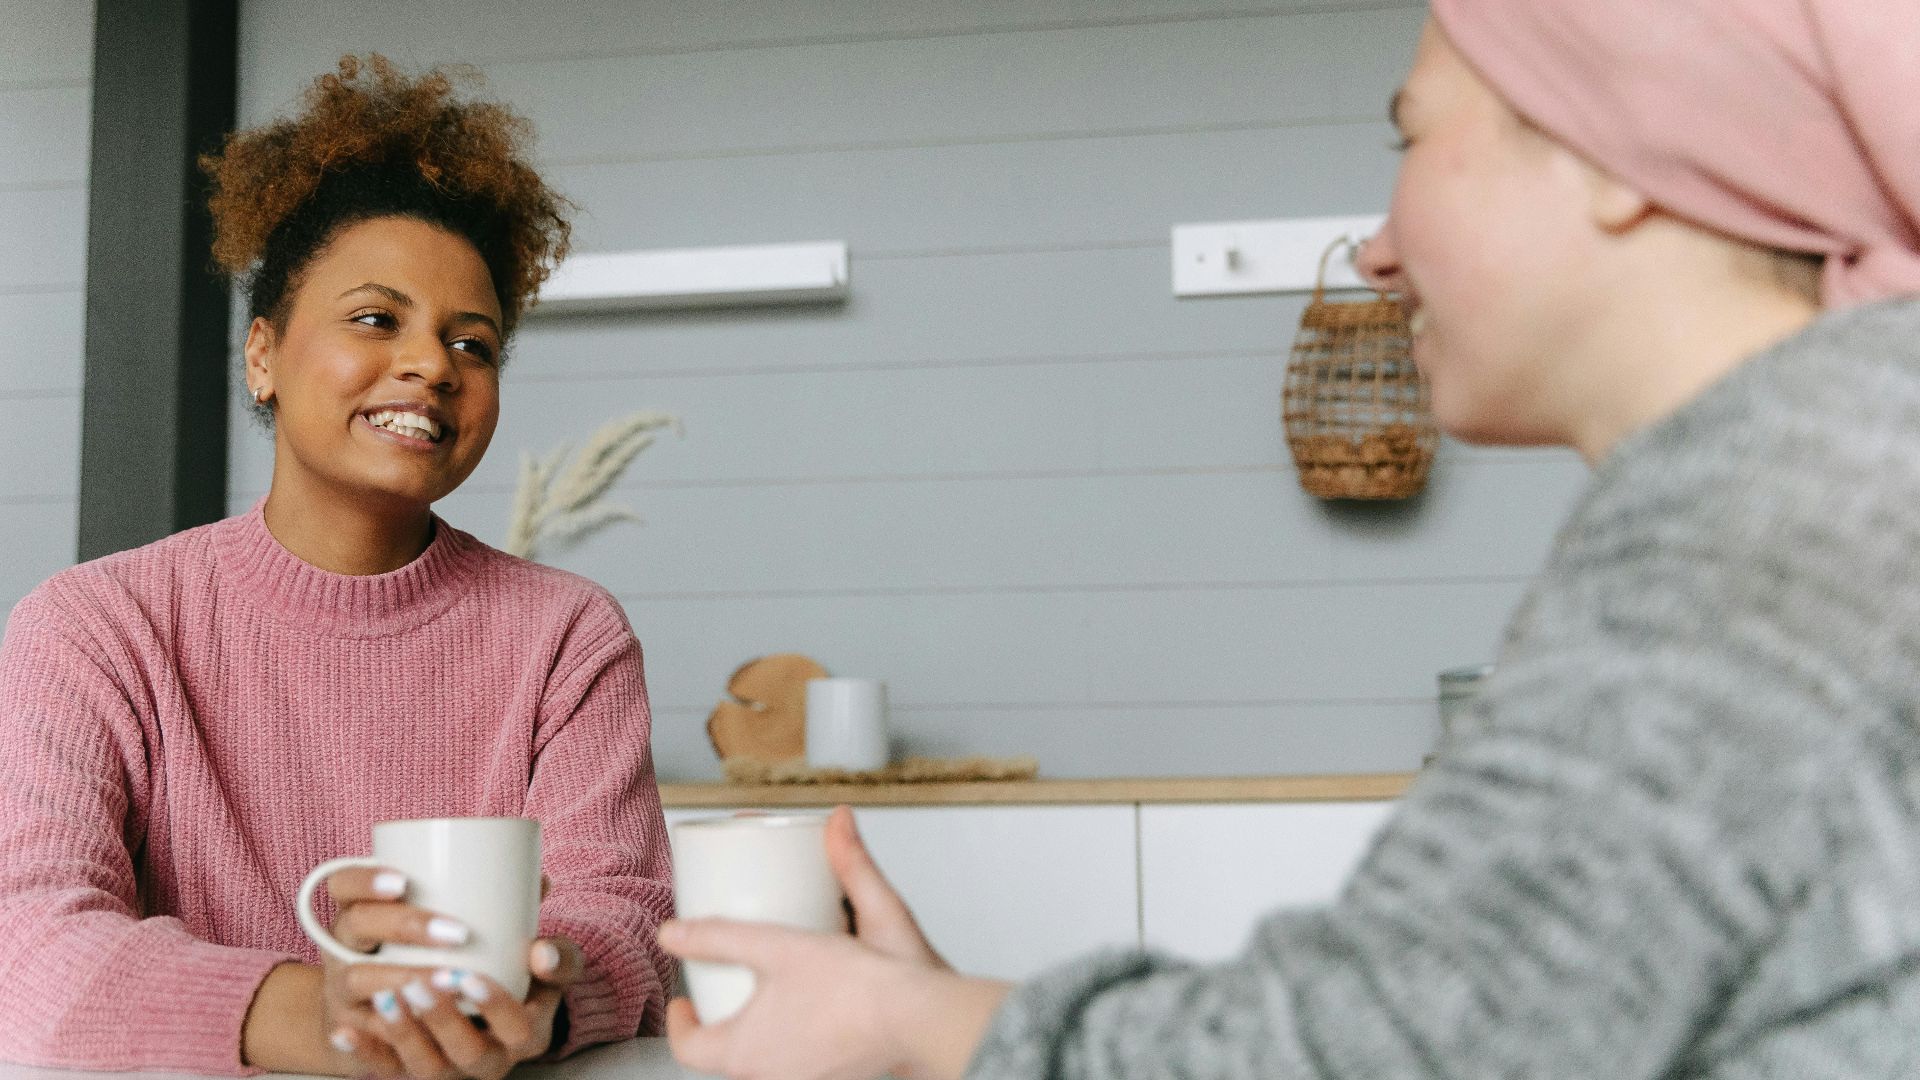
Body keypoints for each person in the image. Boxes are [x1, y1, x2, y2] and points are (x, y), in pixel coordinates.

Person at [659, 2, 1920, 1077]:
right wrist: (929, 1017)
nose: (1376, 250)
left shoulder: (1773, 520)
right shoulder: (1834, 460)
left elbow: (1384, 1051)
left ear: (1619, 143)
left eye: (1411, 136)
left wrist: (909, 1024)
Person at [0, 56, 675, 1077]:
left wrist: (543, 992)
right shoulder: (96, 626)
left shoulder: (568, 635)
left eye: (474, 344)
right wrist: (320, 1016)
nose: (433, 364)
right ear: (262, 356)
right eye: (375, 318)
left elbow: (624, 918)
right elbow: (27, 938)